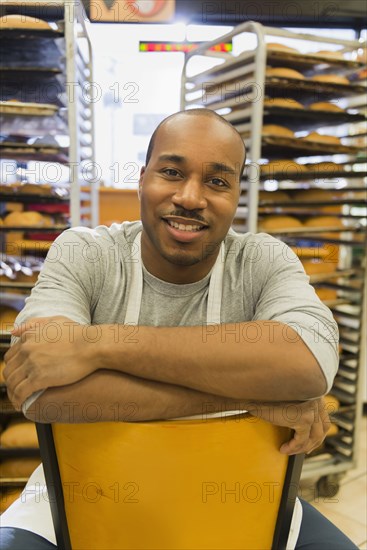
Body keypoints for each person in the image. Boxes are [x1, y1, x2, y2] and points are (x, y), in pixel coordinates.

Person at [1, 109, 357, 549]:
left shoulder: (263, 261)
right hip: (84, 490)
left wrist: (97, 345)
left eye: (217, 181)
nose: (190, 197)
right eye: (171, 172)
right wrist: (254, 394)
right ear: (141, 178)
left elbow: (309, 361)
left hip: (240, 491)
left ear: (237, 196)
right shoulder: (85, 253)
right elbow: (43, 393)